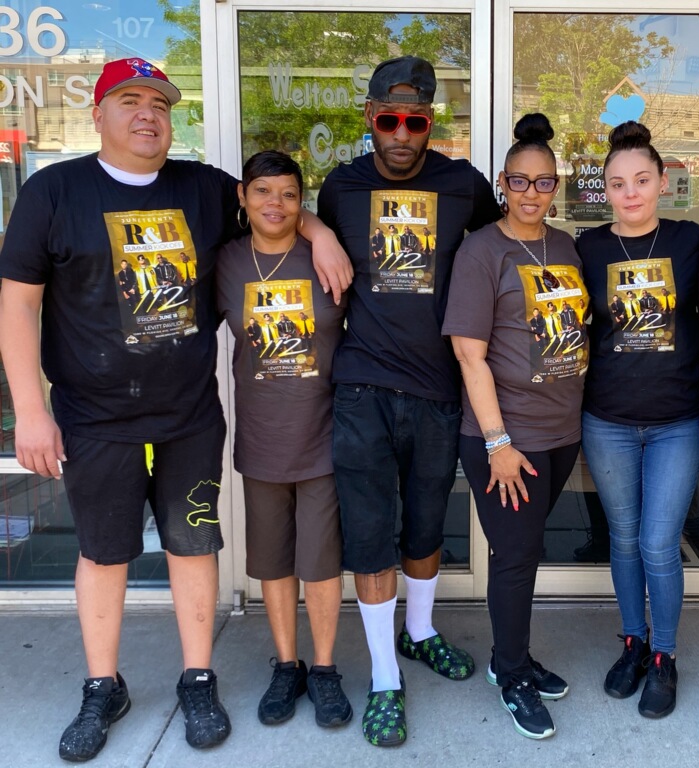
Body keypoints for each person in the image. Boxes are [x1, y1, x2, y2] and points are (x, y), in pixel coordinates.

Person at [0, 58, 350, 763]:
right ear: (98, 112)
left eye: (159, 102)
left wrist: (323, 233)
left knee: (195, 544)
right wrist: (29, 411)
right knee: (103, 553)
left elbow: (272, 202)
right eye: (129, 100)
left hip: (189, 414)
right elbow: (18, 303)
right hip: (94, 417)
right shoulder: (53, 191)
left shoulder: (200, 187)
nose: (146, 114)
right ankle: (103, 685)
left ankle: (198, 677)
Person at [316, 55, 501, 748]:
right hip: (361, 388)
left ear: (430, 124)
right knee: (371, 539)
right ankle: (385, 677)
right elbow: (288, 222)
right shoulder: (340, 187)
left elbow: (505, 243)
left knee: (426, 530)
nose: (400, 132)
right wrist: (315, 229)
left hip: (437, 389)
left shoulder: (464, 186)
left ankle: (420, 632)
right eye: (388, 119)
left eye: (414, 120)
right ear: (370, 118)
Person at [444, 112, 587, 740]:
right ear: (503, 184)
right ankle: (510, 672)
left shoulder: (565, 246)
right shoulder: (483, 250)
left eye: (544, 182)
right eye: (520, 182)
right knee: (516, 556)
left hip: (561, 432)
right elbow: (469, 354)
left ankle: (518, 657)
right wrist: (499, 442)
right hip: (505, 439)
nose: (532, 193)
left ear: (557, 186)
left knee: (524, 552)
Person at [577, 120, 699, 720]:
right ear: (604, 189)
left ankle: (665, 655)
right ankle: (632, 641)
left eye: (642, 180)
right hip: (607, 421)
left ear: (662, 183)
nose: (630, 193)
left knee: (659, 542)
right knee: (624, 541)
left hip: (677, 420)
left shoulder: (691, 241)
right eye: (618, 183)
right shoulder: (589, 248)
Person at [217, 150, 348, 730]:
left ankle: (323, 668)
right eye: (264, 191)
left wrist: (320, 233)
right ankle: (286, 663)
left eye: (290, 194)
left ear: (303, 201)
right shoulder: (224, 262)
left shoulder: (327, 256)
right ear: (243, 198)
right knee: (272, 560)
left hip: (322, 433)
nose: (277, 203)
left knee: (320, 561)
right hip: (262, 436)